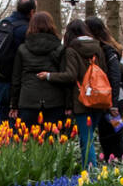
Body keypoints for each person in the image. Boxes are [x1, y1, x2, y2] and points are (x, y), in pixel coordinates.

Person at [38, 19, 110, 169]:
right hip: (100, 98)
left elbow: (70, 76)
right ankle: (88, 170)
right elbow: (105, 72)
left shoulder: (71, 50)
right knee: (89, 136)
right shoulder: (98, 48)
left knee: (86, 138)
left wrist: (49, 76)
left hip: (82, 100)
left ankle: (91, 172)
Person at [9, 11, 68, 130]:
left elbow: (16, 79)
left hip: (28, 100)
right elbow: (65, 79)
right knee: (53, 142)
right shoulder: (60, 49)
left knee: (28, 142)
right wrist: (68, 105)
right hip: (54, 100)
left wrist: (14, 105)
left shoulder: (22, 49)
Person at [0, 0, 36, 123]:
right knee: (19, 128)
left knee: (4, 125)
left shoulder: (0, 25)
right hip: (19, 86)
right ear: (32, 12)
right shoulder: (27, 30)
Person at [85, 17, 123, 160]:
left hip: (112, 100)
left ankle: (117, 163)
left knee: (112, 134)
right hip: (111, 99)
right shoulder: (110, 47)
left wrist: (113, 104)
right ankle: (115, 162)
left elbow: (115, 77)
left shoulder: (107, 50)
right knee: (110, 133)